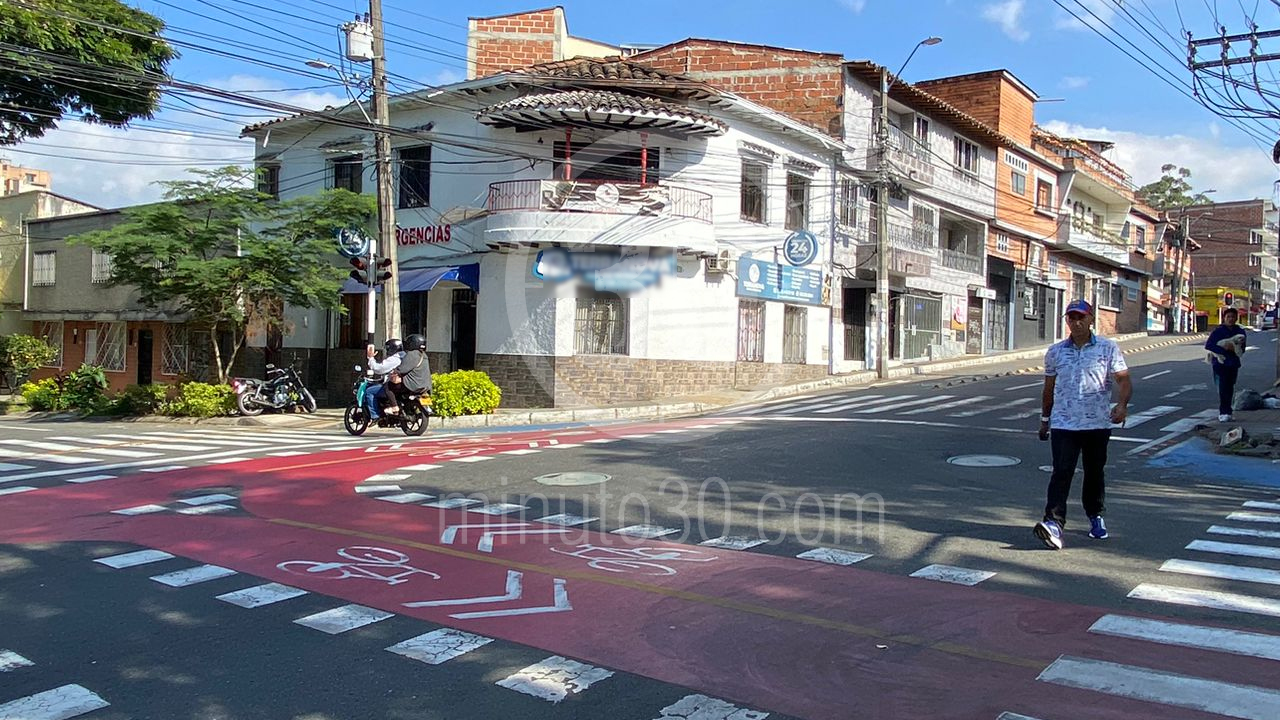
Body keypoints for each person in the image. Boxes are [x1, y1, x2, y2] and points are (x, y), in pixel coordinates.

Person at [1033, 300, 1133, 550]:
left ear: (1091, 320)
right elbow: (1048, 389)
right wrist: (1045, 420)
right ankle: (1053, 523)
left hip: (1097, 424)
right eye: (1072, 318)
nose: (1076, 322)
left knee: (1094, 472)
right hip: (1064, 424)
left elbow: (1123, 380)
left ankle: (1095, 516)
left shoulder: (1108, 348)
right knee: (1061, 472)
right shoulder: (1055, 352)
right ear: (1067, 321)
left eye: (1081, 317)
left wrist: (1122, 405)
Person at [1205, 307, 1246, 422]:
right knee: (1223, 388)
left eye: (1233, 317)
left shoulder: (1240, 332)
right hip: (1220, 363)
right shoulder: (1218, 331)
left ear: (1236, 318)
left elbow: (1242, 348)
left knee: (1230, 387)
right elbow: (1209, 345)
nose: (1230, 319)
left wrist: (1234, 349)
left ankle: (1229, 411)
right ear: (1224, 318)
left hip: (1233, 363)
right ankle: (1223, 412)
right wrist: (1224, 349)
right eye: (1228, 317)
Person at [388, 333, 432, 408]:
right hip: (425, 386)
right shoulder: (424, 355)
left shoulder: (412, 354)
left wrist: (395, 371)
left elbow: (402, 369)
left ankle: (394, 407)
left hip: (413, 385)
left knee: (388, 387)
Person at [365, 338, 405, 420]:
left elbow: (379, 369)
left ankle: (375, 416)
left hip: (395, 385)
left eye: (388, 348)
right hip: (406, 384)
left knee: (369, 391)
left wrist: (371, 358)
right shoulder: (406, 356)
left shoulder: (394, 359)